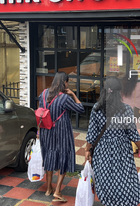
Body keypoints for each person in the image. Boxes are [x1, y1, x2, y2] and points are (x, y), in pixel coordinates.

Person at [85, 76, 140, 206]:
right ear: (119, 92)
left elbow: (91, 134)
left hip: (102, 151)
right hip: (122, 151)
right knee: (124, 181)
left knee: (106, 181)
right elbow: (133, 134)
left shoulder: (96, 108)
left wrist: (87, 150)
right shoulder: (126, 110)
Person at [38, 72, 84, 203]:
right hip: (61, 132)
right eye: (68, 82)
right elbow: (80, 109)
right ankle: (57, 191)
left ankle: (48, 188)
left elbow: (40, 111)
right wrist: (73, 94)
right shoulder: (64, 98)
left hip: (46, 131)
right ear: (64, 82)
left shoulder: (44, 93)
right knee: (63, 157)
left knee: (49, 155)